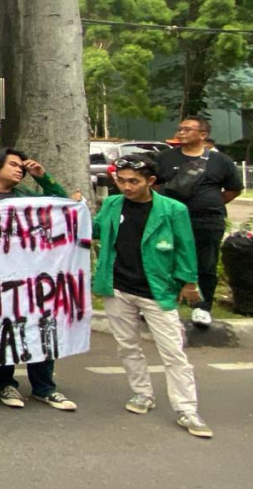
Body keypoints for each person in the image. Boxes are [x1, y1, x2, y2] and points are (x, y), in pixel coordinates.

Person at [93, 156, 213, 438]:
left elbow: (185, 246)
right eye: (121, 180)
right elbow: (96, 230)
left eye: (133, 181)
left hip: (157, 289)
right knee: (127, 346)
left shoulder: (173, 209)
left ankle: (187, 409)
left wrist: (189, 281)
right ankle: (142, 393)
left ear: (150, 182)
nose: (126, 187)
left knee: (173, 351)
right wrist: (72, 208)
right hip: (118, 287)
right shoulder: (112, 204)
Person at [0, 148, 77, 411]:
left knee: (40, 326)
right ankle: (5, 384)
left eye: (22, 168)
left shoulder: (28, 196)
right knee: (1, 330)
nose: (19, 170)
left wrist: (43, 178)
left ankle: (44, 388)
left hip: (32, 277)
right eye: (13, 164)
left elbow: (65, 207)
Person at [154, 116, 241, 328]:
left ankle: (202, 307)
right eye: (179, 129)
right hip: (170, 220)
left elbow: (233, 189)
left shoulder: (221, 161)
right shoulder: (165, 158)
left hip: (207, 221)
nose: (181, 132)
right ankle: (164, 306)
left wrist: (211, 203)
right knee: (165, 260)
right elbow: (154, 185)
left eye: (187, 129)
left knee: (206, 263)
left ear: (203, 135)